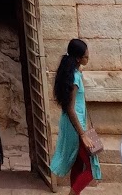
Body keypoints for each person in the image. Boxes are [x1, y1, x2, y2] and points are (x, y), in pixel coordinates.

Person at [50, 38, 101, 193]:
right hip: (76, 126)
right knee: (92, 168)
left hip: (76, 124)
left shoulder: (73, 73)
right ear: (78, 58)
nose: (88, 59)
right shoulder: (74, 76)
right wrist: (83, 134)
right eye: (86, 56)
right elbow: (71, 108)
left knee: (79, 164)